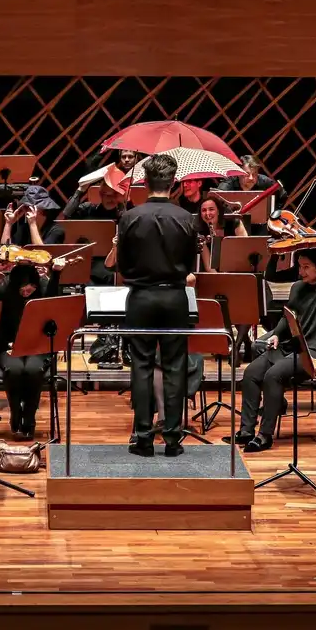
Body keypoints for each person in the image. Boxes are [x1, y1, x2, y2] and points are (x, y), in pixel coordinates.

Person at [226, 230, 316, 452]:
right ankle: (246, 430)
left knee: (273, 375)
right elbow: (287, 316)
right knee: (251, 373)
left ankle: (265, 435)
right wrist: (277, 334)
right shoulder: (297, 287)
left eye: (306, 267)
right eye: (300, 266)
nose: (301, 271)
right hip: (294, 347)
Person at [117, 154, 200, 457]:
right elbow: (189, 265)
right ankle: (173, 440)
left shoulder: (129, 217)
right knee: (175, 366)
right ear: (173, 182)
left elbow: (123, 266)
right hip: (174, 297)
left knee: (141, 366)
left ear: (145, 182)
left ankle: (142, 438)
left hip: (141, 297)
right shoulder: (186, 218)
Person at [0, 258, 69, 439]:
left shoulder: (43, 285)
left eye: (29, 289)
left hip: (38, 347)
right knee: (14, 370)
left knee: (33, 370)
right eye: (22, 290)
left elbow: (54, 298)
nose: (25, 293)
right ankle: (16, 412)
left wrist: (56, 273)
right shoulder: (7, 286)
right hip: (10, 346)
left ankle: (29, 417)